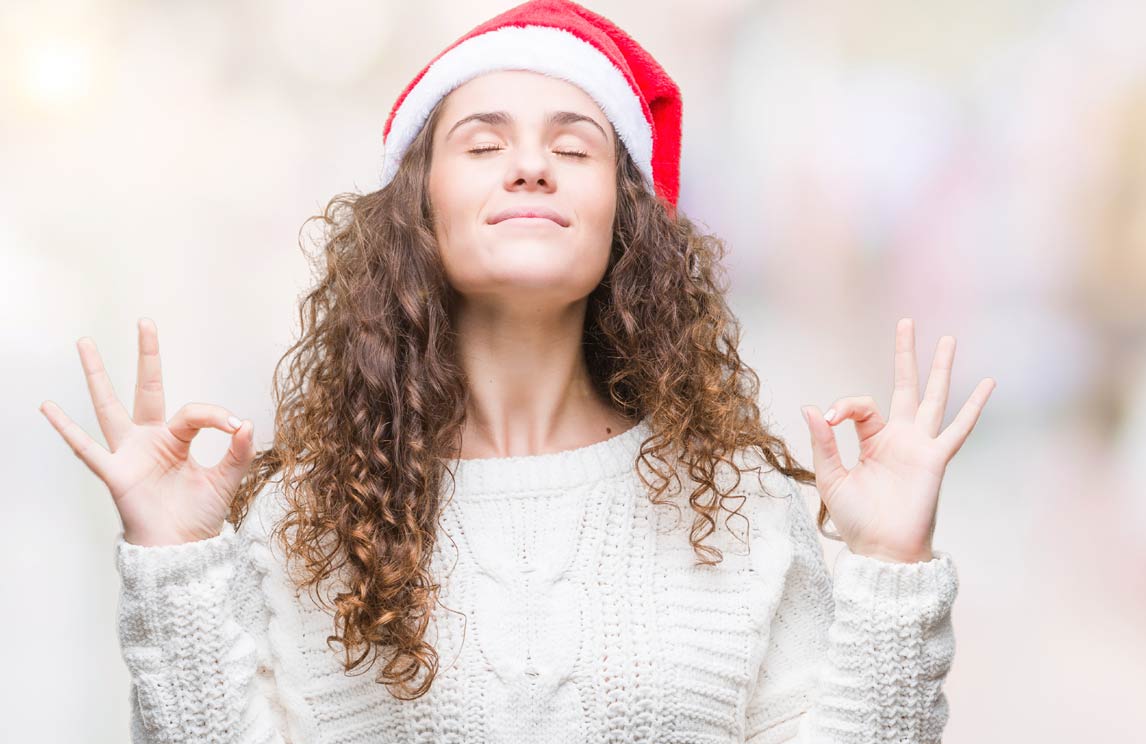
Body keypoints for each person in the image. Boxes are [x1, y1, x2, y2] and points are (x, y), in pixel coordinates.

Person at [39, 0, 994, 741]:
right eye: (484, 142)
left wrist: (890, 567)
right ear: (418, 211)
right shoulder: (304, 521)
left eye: (573, 146)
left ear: (627, 222)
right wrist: (171, 559)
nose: (529, 166)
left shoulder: (739, 507)